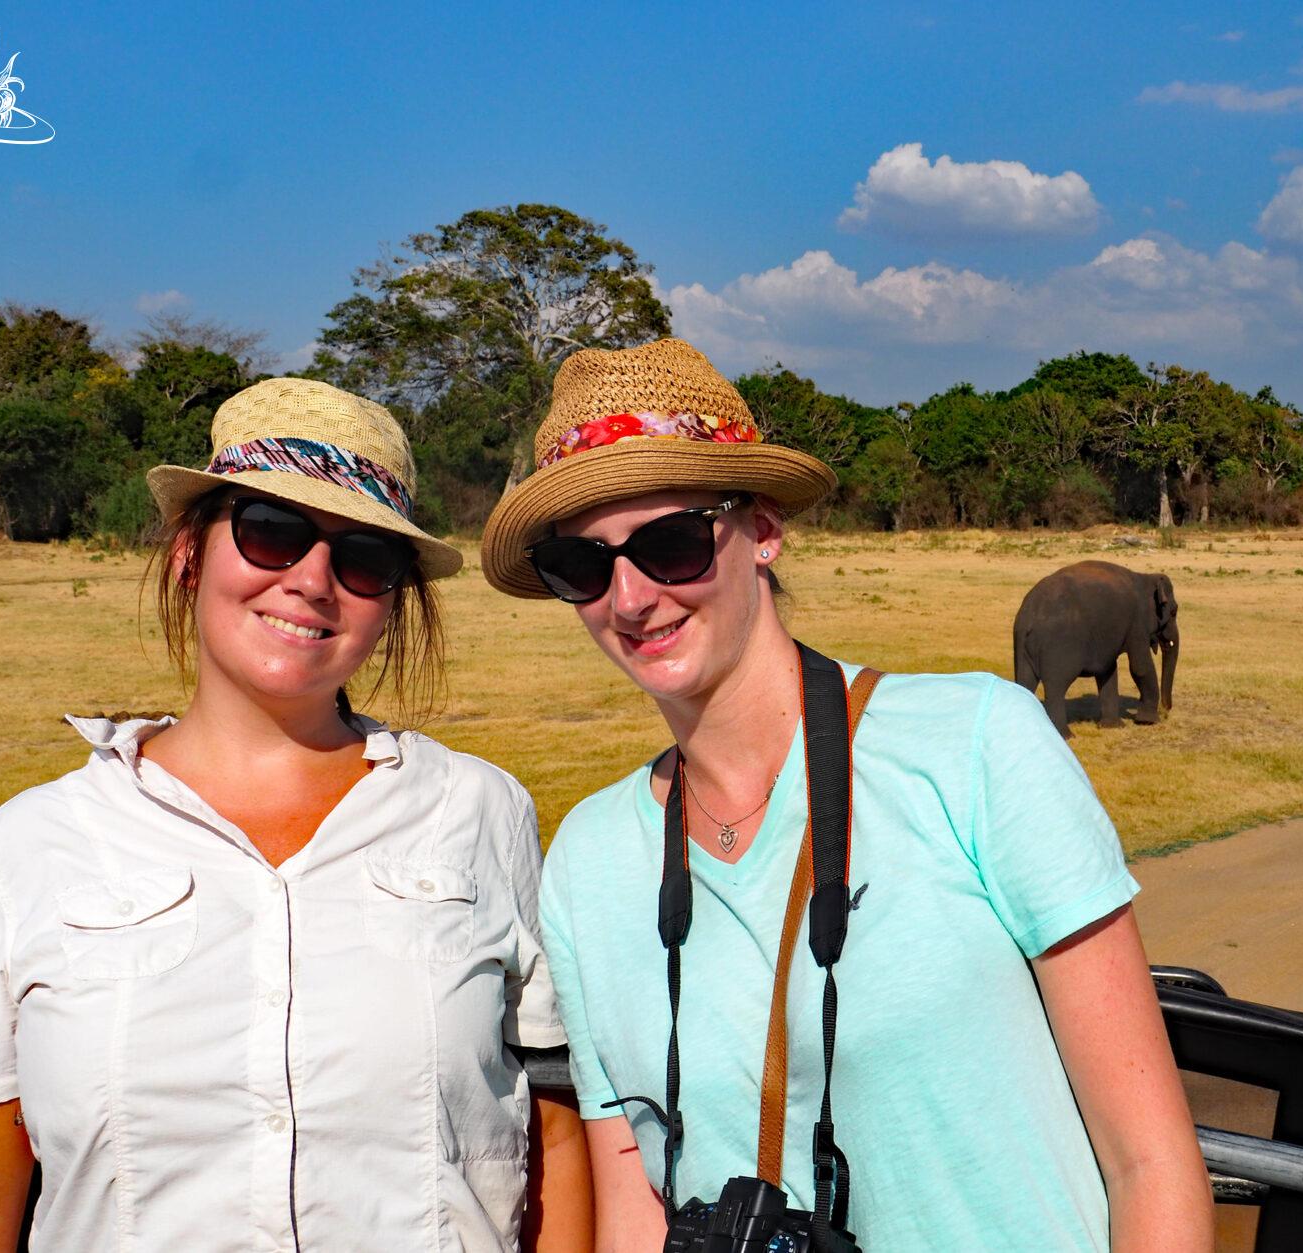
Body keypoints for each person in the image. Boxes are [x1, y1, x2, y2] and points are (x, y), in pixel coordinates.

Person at [479, 339, 1214, 1250]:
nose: (630, 597)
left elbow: (1150, 1161)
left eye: (670, 543)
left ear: (766, 531)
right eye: (583, 566)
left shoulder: (975, 745)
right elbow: (634, 1202)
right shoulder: (587, 861)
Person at [0, 378, 590, 1252]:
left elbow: (551, 1137)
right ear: (191, 551)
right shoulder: (21, 849)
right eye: (271, 529)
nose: (311, 581)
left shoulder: (482, 811)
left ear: (394, 600)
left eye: (365, 556)